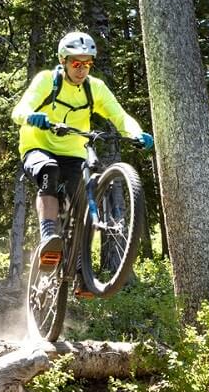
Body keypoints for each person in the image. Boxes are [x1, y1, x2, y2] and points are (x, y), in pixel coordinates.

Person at [11, 31, 153, 262]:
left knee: (81, 199)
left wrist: (136, 133)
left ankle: (78, 264)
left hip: (74, 152)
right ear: (63, 61)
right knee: (49, 169)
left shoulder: (95, 88)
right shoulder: (47, 80)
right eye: (76, 63)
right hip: (38, 146)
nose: (82, 69)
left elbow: (120, 116)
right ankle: (48, 236)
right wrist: (31, 116)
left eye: (88, 64)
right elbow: (19, 110)